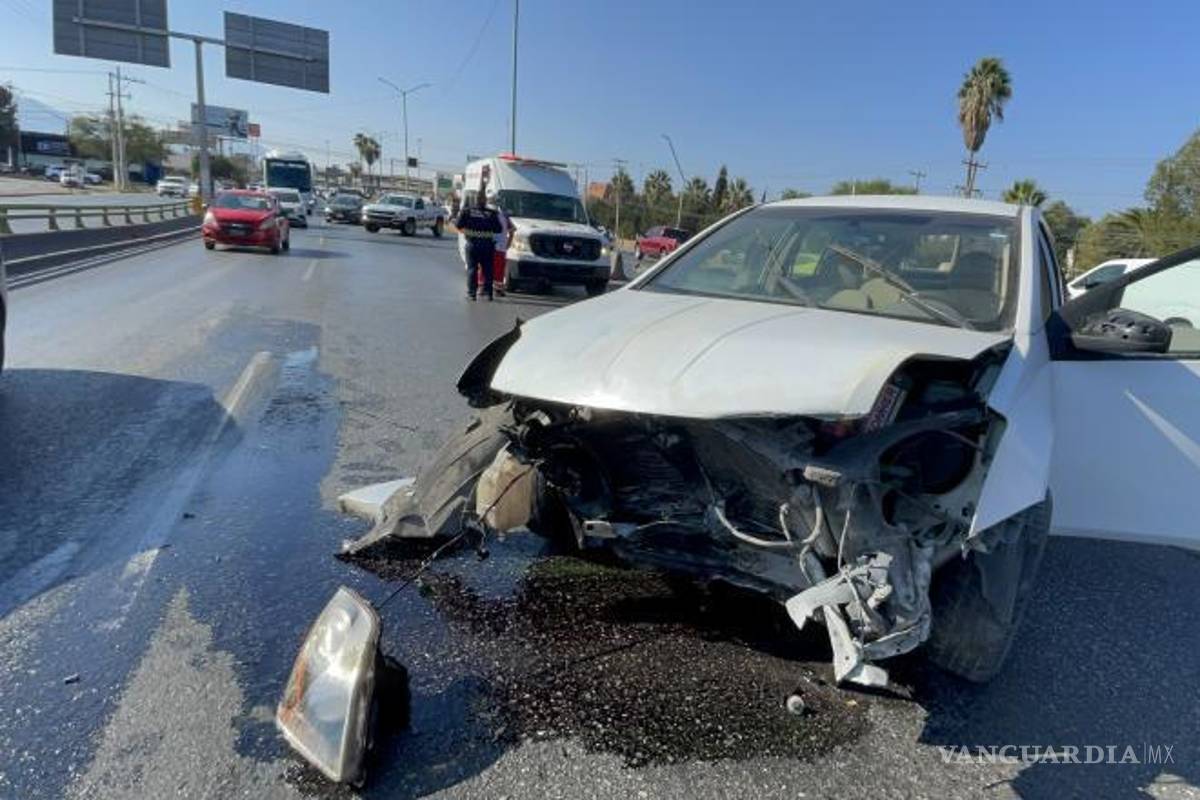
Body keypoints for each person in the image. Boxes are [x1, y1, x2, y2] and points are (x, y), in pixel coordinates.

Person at [455, 187, 503, 301]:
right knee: (488, 269)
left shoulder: (467, 211)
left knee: (472, 269)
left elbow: (458, 225)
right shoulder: (492, 213)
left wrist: (468, 231)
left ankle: (472, 294)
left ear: (475, 200)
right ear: (485, 200)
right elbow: (499, 229)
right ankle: (488, 294)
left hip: (472, 244)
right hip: (487, 245)